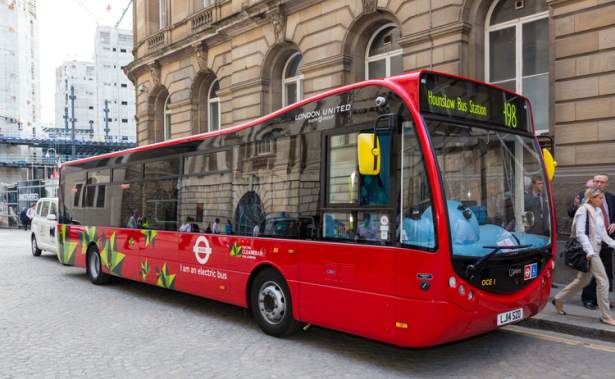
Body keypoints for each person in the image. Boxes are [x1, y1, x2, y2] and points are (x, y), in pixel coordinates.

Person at [553, 188, 615, 326]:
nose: (602, 200)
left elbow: (603, 235)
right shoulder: (583, 210)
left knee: (582, 280)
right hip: (590, 250)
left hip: (596, 248)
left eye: (603, 197)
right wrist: (589, 252)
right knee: (603, 281)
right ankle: (606, 316)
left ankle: (558, 299)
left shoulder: (598, 211)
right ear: (591, 198)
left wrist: (613, 244)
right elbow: (580, 233)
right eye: (599, 198)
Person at [581, 174, 615, 309]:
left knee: (606, 272)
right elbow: (572, 214)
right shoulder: (584, 198)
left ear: (606, 184)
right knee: (590, 273)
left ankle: (602, 300)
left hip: (607, 241)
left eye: (602, 182)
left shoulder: (611, 198)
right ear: (593, 182)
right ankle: (588, 299)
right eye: (597, 181)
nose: (599, 184)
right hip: (590, 243)